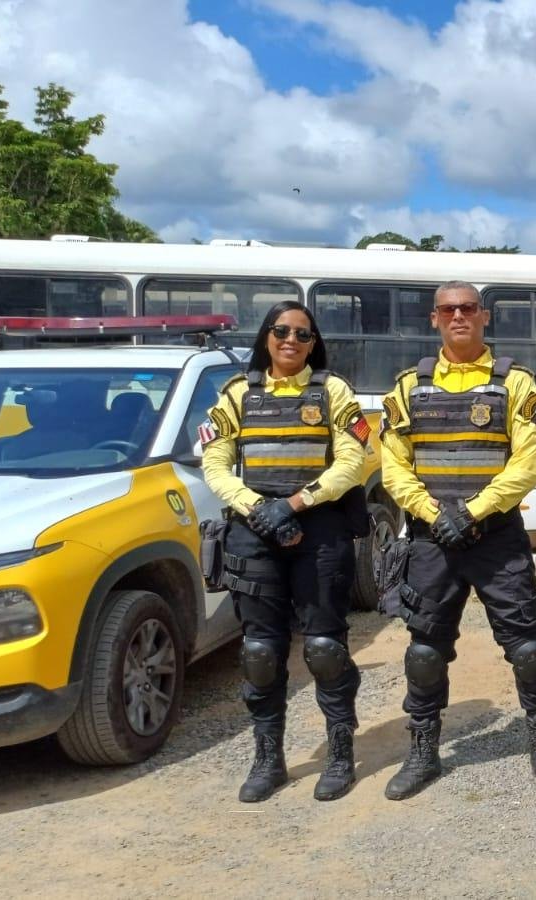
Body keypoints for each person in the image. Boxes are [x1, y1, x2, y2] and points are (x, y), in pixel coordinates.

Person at [378, 281, 536, 799]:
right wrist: (433, 513)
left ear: (484, 317)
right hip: (430, 539)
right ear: (434, 319)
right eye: (448, 309)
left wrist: (473, 511)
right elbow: (392, 467)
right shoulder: (406, 388)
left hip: (495, 535)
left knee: (527, 646)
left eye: (467, 308)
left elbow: (529, 462)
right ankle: (422, 752)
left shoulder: (517, 386)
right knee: (424, 651)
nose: (458, 315)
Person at [200, 300, 369, 803]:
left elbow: (352, 462)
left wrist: (295, 504)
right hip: (255, 533)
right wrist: (257, 508)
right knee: (260, 652)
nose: (291, 341)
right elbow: (214, 463)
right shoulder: (236, 394)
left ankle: (340, 754)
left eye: (303, 334)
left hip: (318, 530)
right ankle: (268, 758)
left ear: (314, 342)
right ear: (266, 336)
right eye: (282, 331)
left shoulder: (333, 391)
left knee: (324, 649)